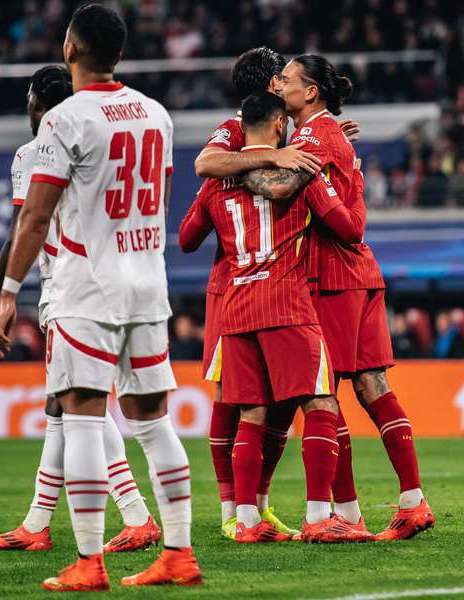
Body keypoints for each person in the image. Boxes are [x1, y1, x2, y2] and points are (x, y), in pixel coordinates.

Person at [0, 4, 200, 589]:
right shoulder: (157, 115)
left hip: (87, 288)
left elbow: (33, 219)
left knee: (81, 420)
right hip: (147, 283)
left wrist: (7, 294)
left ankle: (89, 563)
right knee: (154, 423)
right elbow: (156, 195)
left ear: (70, 49)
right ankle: (179, 554)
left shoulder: (64, 120)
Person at [243, 54, 434, 540]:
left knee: (319, 395)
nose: (277, 83)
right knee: (372, 386)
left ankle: (337, 515)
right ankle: (411, 501)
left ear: (310, 92)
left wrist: (238, 164)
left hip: (330, 277)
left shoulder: (313, 136)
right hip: (361, 273)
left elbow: (282, 189)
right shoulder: (324, 134)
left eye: (285, 79)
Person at [0, 64, 160, 555]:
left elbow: (24, 227)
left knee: (80, 404)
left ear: (37, 100)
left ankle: (136, 514)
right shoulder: (106, 128)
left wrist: (0, 297)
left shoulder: (37, 148)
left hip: (69, 288)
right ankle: (37, 522)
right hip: (125, 277)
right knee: (62, 407)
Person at [180, 91, 369, 543]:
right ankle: (320, 516)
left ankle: (246, 520)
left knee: (252, 413)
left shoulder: (216, 178)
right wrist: (351, 179)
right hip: (286, 302)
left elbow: (187, 237)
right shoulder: (299, 169)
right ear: (281, 126)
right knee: (321, 402)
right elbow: (348, 228)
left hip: (236, 306)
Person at [190, 46, 319, 541]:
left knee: (273, 406)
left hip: (282, 282)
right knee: (237, 399)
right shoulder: (236, 127)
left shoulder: (296, 128)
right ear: (270, 85)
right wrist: (274, 155)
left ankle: (256, 507)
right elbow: (206, 164)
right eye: (282, 75)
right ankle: (233, 510)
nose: (288, 80)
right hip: (239, 283)